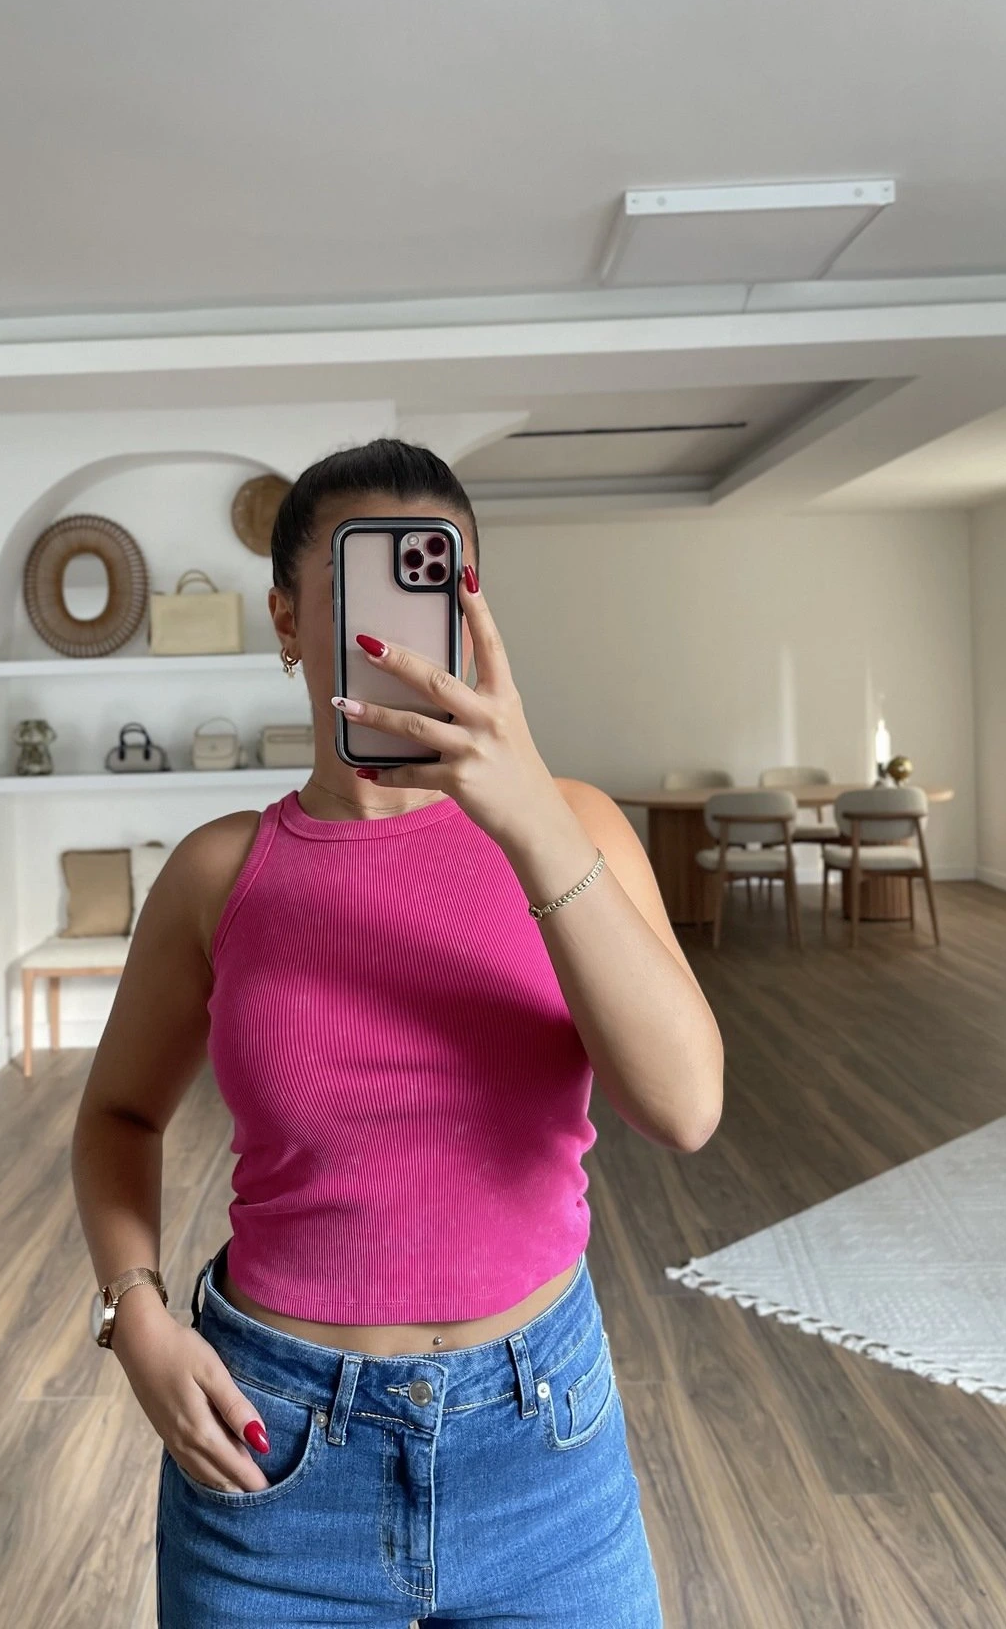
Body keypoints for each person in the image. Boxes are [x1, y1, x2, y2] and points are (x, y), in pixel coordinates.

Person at [71, 436, 723, 1626]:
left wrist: (528, 818)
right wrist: (135, 1313)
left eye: (441, 589)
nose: (404, 632)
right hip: (272, 1456)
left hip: (544, 1446)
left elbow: (683, 1107)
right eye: (365, 590)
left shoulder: (574, 826)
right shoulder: (219, 874)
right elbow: (117, 1114)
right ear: (286, 620)